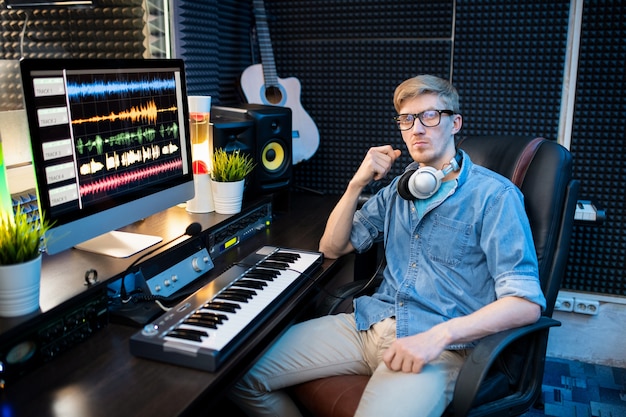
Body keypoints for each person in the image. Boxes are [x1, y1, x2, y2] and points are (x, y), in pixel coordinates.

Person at [229, 74, 546, 417]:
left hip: (437, 346)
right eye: (407, 119)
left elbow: (525, 303)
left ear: (455, 122)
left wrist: (439, 337)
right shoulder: (399, 189)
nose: (417, 129)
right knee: (238, 375)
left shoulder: (495, 197)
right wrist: (355, 184)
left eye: (430, 116)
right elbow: (333, 247)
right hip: (368, 324)